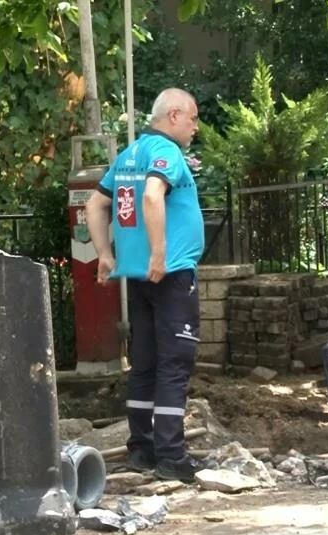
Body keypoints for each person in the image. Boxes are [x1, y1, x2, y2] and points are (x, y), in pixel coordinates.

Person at [85, 88, 214, 483]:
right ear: (173, 115)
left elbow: (95, 203)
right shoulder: (166, 153)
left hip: (138, 279)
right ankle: (172, 456)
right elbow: (154, 196)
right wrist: (160, 251)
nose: (195, 127)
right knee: (175, 365)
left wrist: (104, 254)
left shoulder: (127, 156)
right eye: (192, 118)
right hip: (170, 274)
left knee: (144, 364)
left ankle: (142, 448)